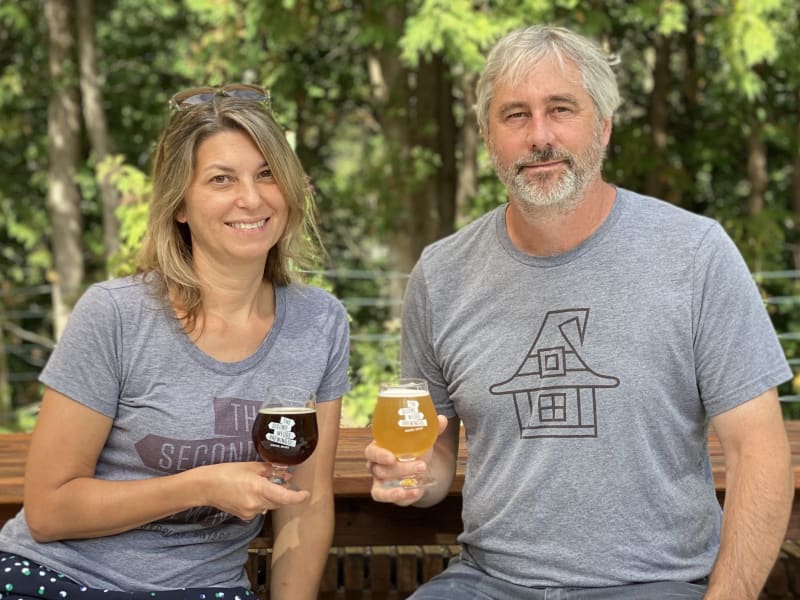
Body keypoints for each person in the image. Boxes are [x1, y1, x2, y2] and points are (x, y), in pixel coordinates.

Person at [365, 25, 794, 600]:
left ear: (605, 126)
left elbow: (758, 450)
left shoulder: (695, 254)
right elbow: (437, 451)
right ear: (488, 138)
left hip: (653, 584)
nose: (539, 136)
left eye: (560, 109)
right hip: (489, 582)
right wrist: (410, 477)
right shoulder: (441, 274)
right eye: (514, 115)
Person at [0, 84, 350, 600]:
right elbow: (50, 512)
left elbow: (308, 501)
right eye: (221, 179)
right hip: (61, 576)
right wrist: (203, 486)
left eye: (267, 174)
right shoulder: (116, 315)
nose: (251, 198)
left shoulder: (320, 321)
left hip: (204, 588)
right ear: (180, 205)